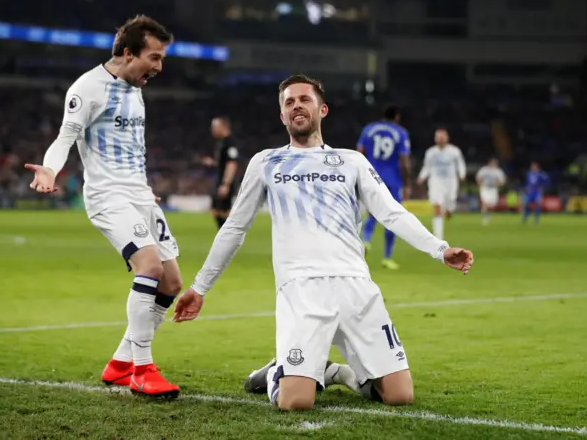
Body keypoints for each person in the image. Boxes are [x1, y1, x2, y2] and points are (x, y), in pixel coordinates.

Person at [173, 74, 474, 410]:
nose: (296, 106)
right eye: (289, 102)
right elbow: (233, 229)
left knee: (400, 396)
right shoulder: (266, 162)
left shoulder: (351, 162)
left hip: (356, 287)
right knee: (296, 403)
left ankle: (338, 373)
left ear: (322, 109)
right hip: (301, 288)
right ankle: (279, 372)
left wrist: (440, 248)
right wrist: (200, 288)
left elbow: (392, 213)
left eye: (304, 99)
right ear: (282, 116)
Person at [24, 15, 181, 398]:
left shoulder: (135, 86)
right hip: (108, 197)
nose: (159, 67)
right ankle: (143, 369)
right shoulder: (88, 88)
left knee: (171, 282)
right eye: (155, 57)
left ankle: (120, 362)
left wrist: (143, 189)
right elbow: (66, 137)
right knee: (150, 267)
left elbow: (130, 147)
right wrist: (49, 168)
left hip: (138, 195)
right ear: (128, 53)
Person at [357, 105, 411, 269]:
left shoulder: (369, 129)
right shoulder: (400, 133)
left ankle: (366, 240)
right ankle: (387, 258)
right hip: (392, 179)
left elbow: (359, 151)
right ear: (397, 117)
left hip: (372, 176)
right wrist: (407, 182)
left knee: (373, 211)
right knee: (392, 216)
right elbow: (404, 159)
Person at [416, 128, 466, 240]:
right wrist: (421, 177)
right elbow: (427, 167)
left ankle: (449, 210)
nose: (440, 140)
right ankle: (438, 238)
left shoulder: (454, 151)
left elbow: (460, 164)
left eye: (442, 137)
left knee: (449, 204)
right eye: (438, 137)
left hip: (451, 181)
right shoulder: (431, 152)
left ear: (447, 138)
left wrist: (462, 174)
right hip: (436, 181)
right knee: (437, 206)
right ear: (435, 139)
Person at [202, 116, 240, 230]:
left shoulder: (230, 142)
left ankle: (230, 233)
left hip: (225, 180)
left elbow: (232, 164)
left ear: (223, 127)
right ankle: (223, 233)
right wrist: (213, 162)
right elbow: (223, 162)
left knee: (224, 210)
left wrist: (226, 184)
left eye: (214, 127)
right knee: (215, 209)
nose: (212, 129)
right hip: (220, 179)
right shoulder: (221, 142)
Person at [476, 158, 506, 225]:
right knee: (485, 202)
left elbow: (503, 180)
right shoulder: (484, 170)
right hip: (485, 188)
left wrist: (498, 183)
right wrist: (480, 183)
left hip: (493, 189)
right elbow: (478, 177)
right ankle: (484, 216)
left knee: (493, 204)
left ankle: (488, 215)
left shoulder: (498, 171)